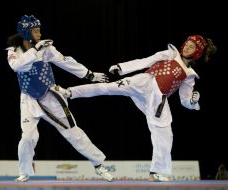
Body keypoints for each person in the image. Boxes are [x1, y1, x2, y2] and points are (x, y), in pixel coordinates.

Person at [55, 35, 217, 181]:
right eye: (187, 44)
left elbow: (185, 101)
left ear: (197, 53)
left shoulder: (189, 75)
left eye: (192, 47)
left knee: (165, 132)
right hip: (143, 82)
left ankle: (157, 172)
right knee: (108, 87)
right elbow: (146, 60)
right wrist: (122, 67)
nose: (187, 47)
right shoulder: (171, 54)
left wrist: (194, 101)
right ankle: (69, 93)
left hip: (157, 99)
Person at [6, 15, 114, 182]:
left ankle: (99, 165)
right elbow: (16, 66)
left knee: (73, 132)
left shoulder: (47, 49)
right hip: (28, 99)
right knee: (27, 137)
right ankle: (25, 172)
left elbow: (66, 62)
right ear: (26, 33)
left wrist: (89, 75)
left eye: (39, 30)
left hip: (50, 96)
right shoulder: (14, 51)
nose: (39, 34)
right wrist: (35, 51)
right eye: (36, 31)